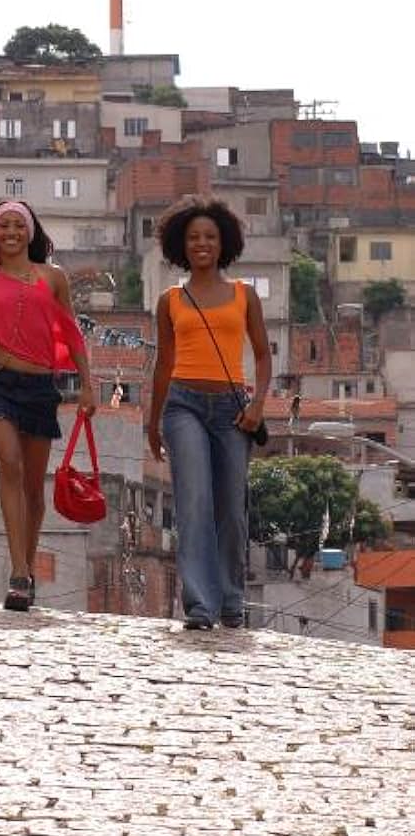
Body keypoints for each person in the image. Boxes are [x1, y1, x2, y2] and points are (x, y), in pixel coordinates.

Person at [0, 199, 96, 612]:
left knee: (34, 490)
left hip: (40, 386)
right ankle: (18, 572)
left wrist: (88, 384)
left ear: (31, 231)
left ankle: (28, 568)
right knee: (9, 464)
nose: (11, 232)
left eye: (19, 225)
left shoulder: (53, 278)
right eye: (4, 226)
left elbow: (72, 334)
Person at [147, 195, 271, 630]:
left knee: (232, 510)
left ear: (224, 243)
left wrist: (258, 405)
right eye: (194, 236)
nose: (202, 243)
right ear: (182, 243)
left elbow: (262, 355)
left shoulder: (245, 295)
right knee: (194, 501)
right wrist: (152, 419)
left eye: (210, 237)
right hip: (183, 405)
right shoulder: (170, 300)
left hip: (233, 410)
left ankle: (232, 600)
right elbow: (163, 362)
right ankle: (200, 605)